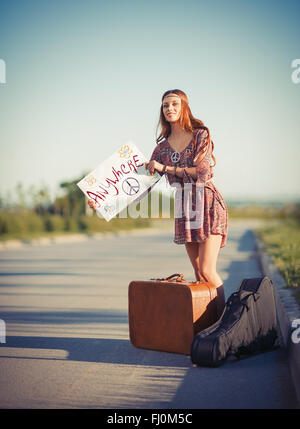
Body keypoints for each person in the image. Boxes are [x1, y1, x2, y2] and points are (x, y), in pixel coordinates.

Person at [145, 89, 228, 307]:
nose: (169, 108)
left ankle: (226, 323)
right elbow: (141, 184)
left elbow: (202, 173)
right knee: (199, 273)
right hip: (184, 207)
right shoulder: (161, 148)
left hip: (207, 202)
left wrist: (166, 168)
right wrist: (103, 202)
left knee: (208, 270)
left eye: (174, 104)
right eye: (165, 105)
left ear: (184, 108)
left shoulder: (201, 134)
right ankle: (210, 323)